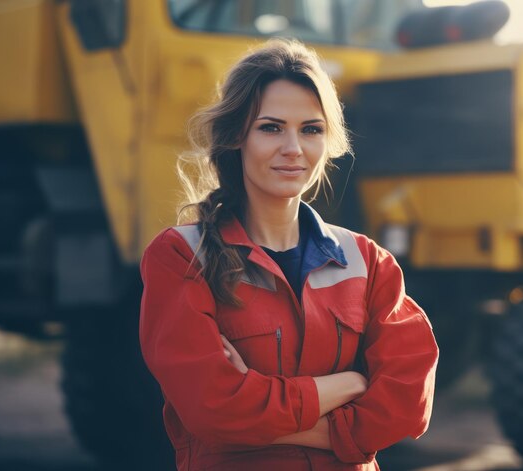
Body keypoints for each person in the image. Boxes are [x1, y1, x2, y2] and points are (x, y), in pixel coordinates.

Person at [139, 38, 438, 471]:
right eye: (271, 127)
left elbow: (408, 404)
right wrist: (349, 384)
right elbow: (212, 408)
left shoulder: (368, 261)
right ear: (235, 137)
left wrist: (260, 411)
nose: (293, 148)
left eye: (311, 129)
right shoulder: (180, 257)